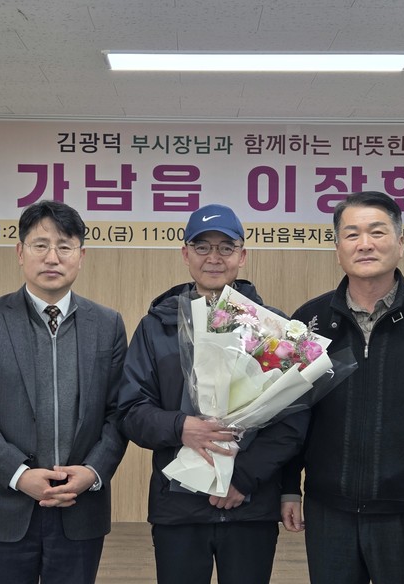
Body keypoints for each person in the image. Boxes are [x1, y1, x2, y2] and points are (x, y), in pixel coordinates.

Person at [281, 191, 404, 584]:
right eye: (352, 234)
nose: (365, 244)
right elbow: (291, 413)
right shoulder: (309, 322)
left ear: (401, 243)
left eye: (377, 232)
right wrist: (289, 487)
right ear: (337, 249)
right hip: (329, 512)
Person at [118, 203, 309, 584]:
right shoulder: (156, 327)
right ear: (185, 253)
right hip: (178, 507)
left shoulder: (272, 327)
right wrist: (180, 426)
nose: (214, 257)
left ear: (242, 255)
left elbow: (294, 417)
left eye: (226, 247)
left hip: (251, 505)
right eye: (202, 246)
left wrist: (244, 479)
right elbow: (130, 410)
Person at [0, 200, 127, 584]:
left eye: (64, 246)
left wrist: (93, 471)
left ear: (81, 256)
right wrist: (19, 475)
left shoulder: (108, 324)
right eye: (40, 245)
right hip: (3, 504)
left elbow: (119, 413)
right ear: (20, 252)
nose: (52, 257)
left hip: (79, 505)